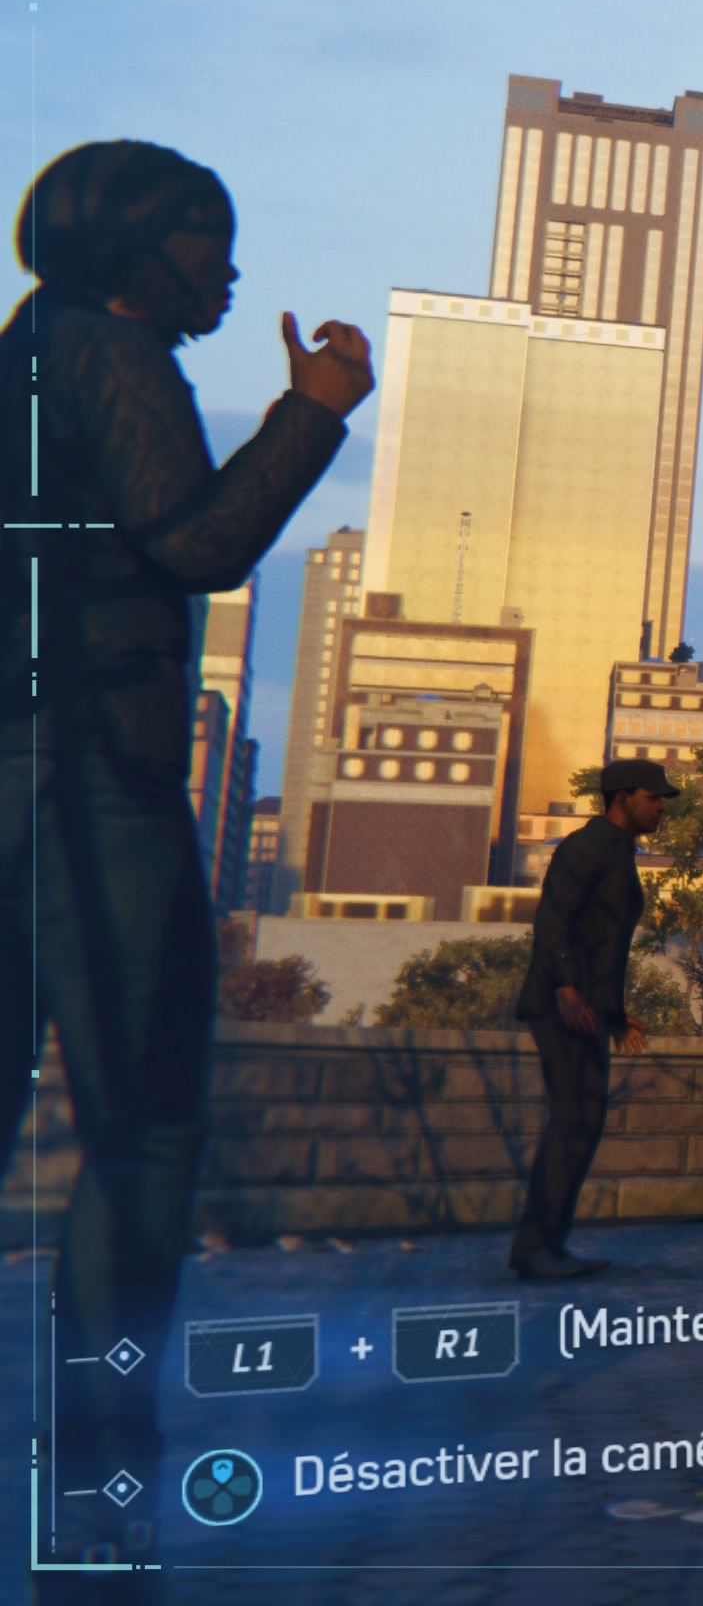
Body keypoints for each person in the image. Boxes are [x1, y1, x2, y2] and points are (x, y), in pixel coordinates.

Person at [0, 141, 367, 1550]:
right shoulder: (114, 354)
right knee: (145, 1130)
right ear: (138, 250)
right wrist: (312, 411)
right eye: (207, 240)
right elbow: (200, 542)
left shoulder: (29, 352)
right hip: (94, 776)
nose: (226, 268)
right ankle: (101, 1469)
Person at [510, 758, 668, 1279]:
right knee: (574, 1121)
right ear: (623, 797)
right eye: (654, 796)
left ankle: (545, 1246)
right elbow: (553, 918)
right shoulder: (585, 847)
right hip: (564, 1008)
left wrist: (617, 1017)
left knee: (582, 1123)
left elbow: (606, 947)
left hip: (587, 1009)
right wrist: (565, 988)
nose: (661, 805)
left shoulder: (620, 853)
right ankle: (536, 1249)